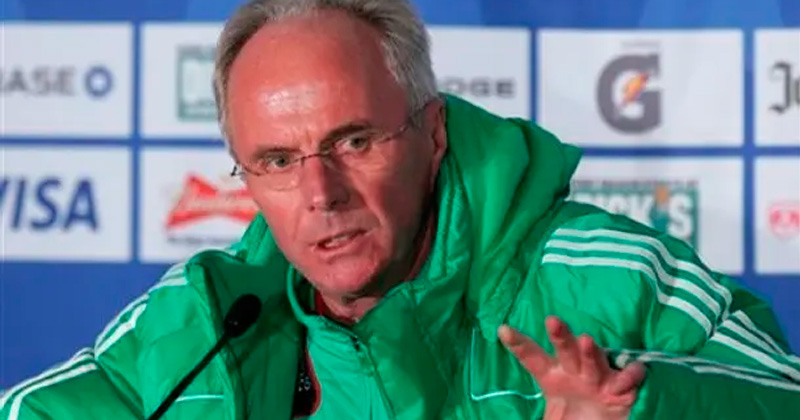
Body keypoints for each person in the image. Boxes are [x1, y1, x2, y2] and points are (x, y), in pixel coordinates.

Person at [3, 0, 800, 418]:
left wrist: (646, 408)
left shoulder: (610, 281)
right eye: (277, 161)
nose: (321, 194)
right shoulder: (206, 322)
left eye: (354, 141)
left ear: (434, 132)